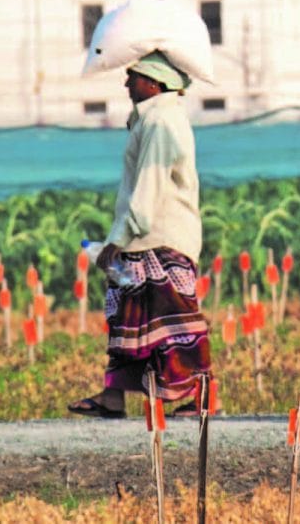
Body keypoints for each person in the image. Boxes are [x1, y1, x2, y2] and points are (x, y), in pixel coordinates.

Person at [68, 51, 210, 419]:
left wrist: (118, 238)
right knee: (131, 319)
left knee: (174, 320)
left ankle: (204, 395)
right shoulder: (152, 120)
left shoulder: (161, 122)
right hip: (145, 238)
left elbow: (149, 186)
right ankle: (113, 396)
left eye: (133, 76)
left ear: (155, 82)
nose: (126, 83)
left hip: (161, 237)